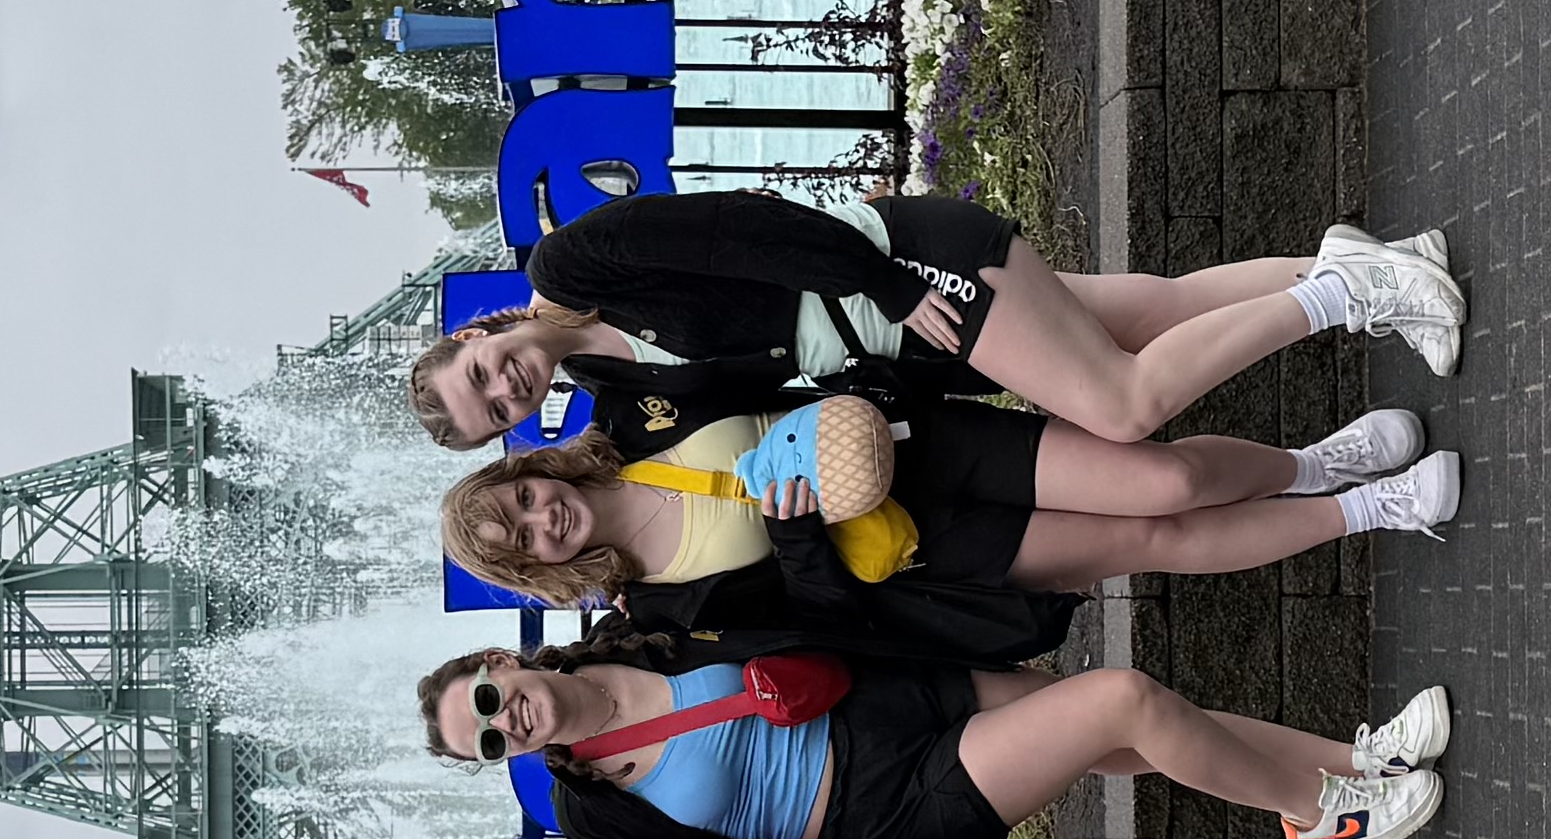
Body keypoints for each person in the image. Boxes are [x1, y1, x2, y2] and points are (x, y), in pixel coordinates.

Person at [404, 190, 1467, 451]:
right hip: (892, 334)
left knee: (1125, 406)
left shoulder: (571, 259)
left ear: (477, 331)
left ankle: (1354, 296)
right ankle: (1372, 267)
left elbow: (746, 228)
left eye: (484, 370)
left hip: (895, 270)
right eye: (495, 410)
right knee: (1160, 315)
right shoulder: (605, 388)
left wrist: (888, 284)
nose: (508, 387)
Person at [419, 635, 1457, 839]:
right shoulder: (600, 813)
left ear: (497, 660)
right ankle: (1322, 817)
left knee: (1125, 735)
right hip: (877, 806)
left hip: (886, 695)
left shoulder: (640, 627)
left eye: (486, 700)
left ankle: (1352, 762)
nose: (511, 721)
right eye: (493, 744)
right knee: (1125, 701)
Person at [432, 418, 1457, 653]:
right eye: (525, 544)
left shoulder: (637, 413)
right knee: (1152, 537)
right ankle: (1370, 509)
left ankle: (1316, 465)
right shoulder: (655, 605)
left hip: (927, 453)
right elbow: (815, 618)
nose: (542, 521)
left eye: (521, 500)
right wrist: (791, 536)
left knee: (1164, 474)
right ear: (540, 571)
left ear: (528, 471)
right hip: (923, 555)